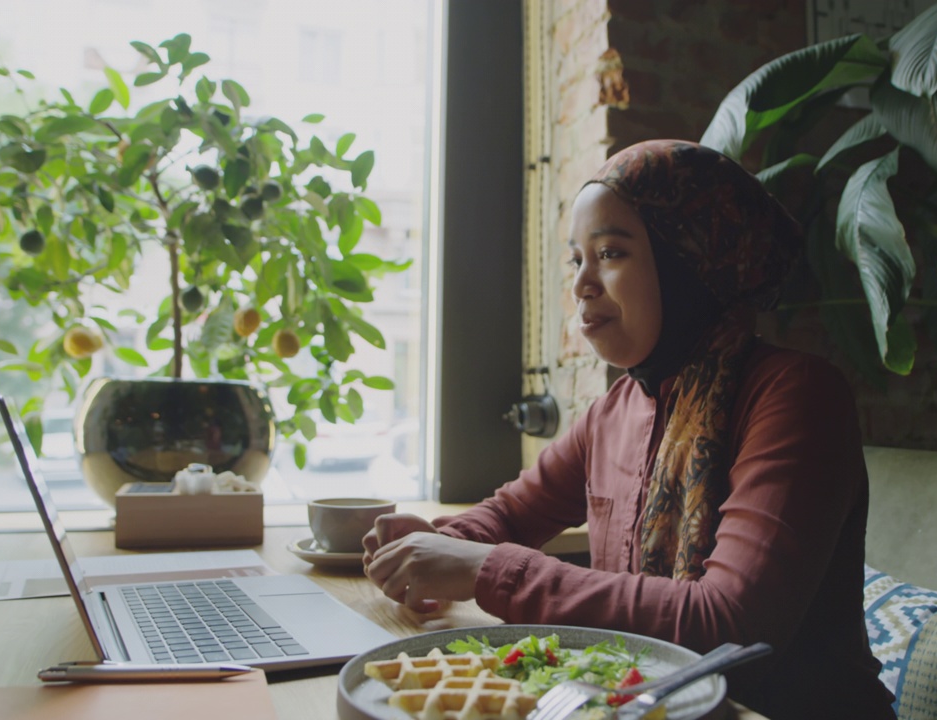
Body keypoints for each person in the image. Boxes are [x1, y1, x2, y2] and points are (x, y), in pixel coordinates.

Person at [363, 139, 897, 719]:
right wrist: (440, 543)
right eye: (576, 260)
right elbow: (512, 514)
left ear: (690, 262)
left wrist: (486, 568)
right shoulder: (615, 410)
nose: (582, 285)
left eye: (611, 253)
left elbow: (730, 626)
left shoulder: (795, 396)